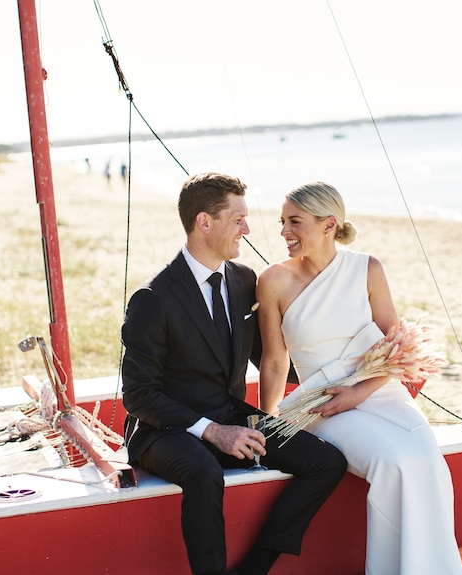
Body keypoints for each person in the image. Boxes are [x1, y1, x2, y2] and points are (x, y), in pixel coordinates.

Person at [120, 172, 347, 575]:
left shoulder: (243, 280)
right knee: (204, 472)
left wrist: (346, 373)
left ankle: (254, 567)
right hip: (164, 431)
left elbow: (269, 358)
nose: (248, 228)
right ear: (204, 222)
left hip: (230, 414)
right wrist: (211, 431)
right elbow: (138, 396)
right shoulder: (152, 299)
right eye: (238, 218)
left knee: (326, 461)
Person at [256, 181, 462, 574]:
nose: (283, 231)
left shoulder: (367, 268)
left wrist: (358, 392)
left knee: (428, 460)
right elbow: (272, 362)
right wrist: (268, 427)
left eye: (294, 222)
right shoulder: (273, 281)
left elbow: (395, 346)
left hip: (378, 392)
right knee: (395, 460)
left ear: (329, 224)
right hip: (321, 405)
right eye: (282, 221)